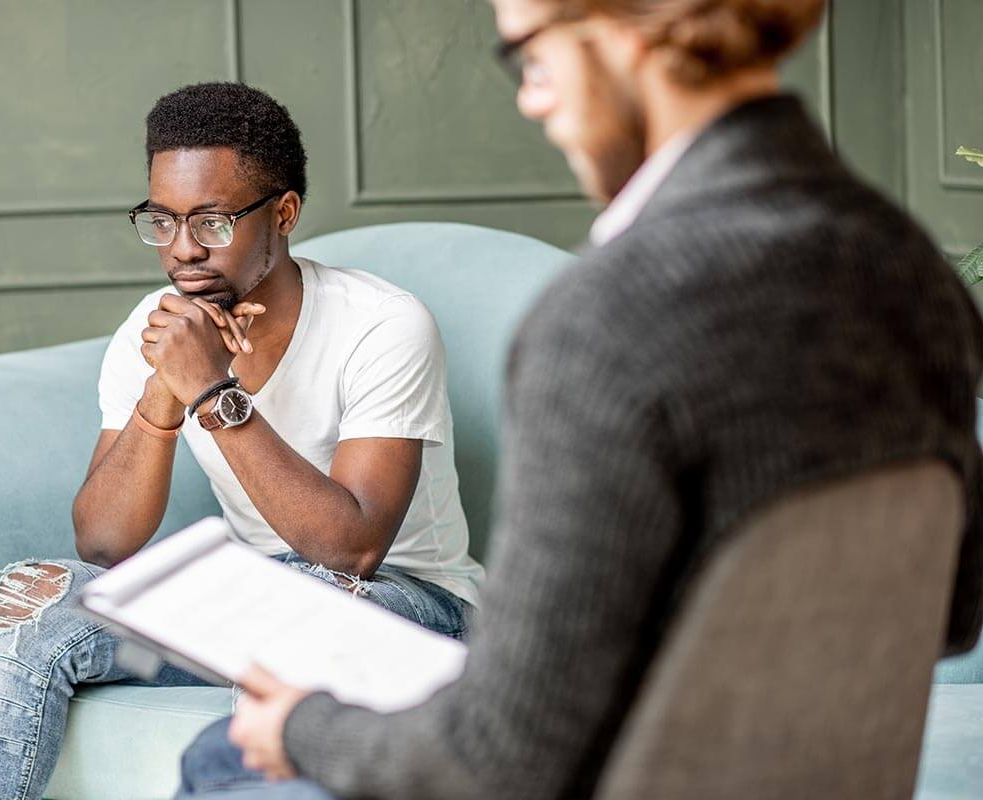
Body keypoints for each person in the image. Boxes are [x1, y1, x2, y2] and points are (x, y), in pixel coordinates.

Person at [176, 0, 983, 798]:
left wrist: (302, 726)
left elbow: (501, 757)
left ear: (625, 34)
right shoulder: (915, 273)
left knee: (226, 758)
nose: (532, 98)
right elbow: (949, 612)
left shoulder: (610, 311)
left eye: (530, 54)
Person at [0, 82, 483, 800]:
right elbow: (104, 543)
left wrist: (212, 394)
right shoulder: (152, 329)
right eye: (161, 221)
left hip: (412, 607)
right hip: (255, 604)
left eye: (213, 223)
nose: (182, 250)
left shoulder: (383, 324)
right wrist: (162, 391)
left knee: (299, 600)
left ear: (283, 213)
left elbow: (353, 547)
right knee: (28, 599)